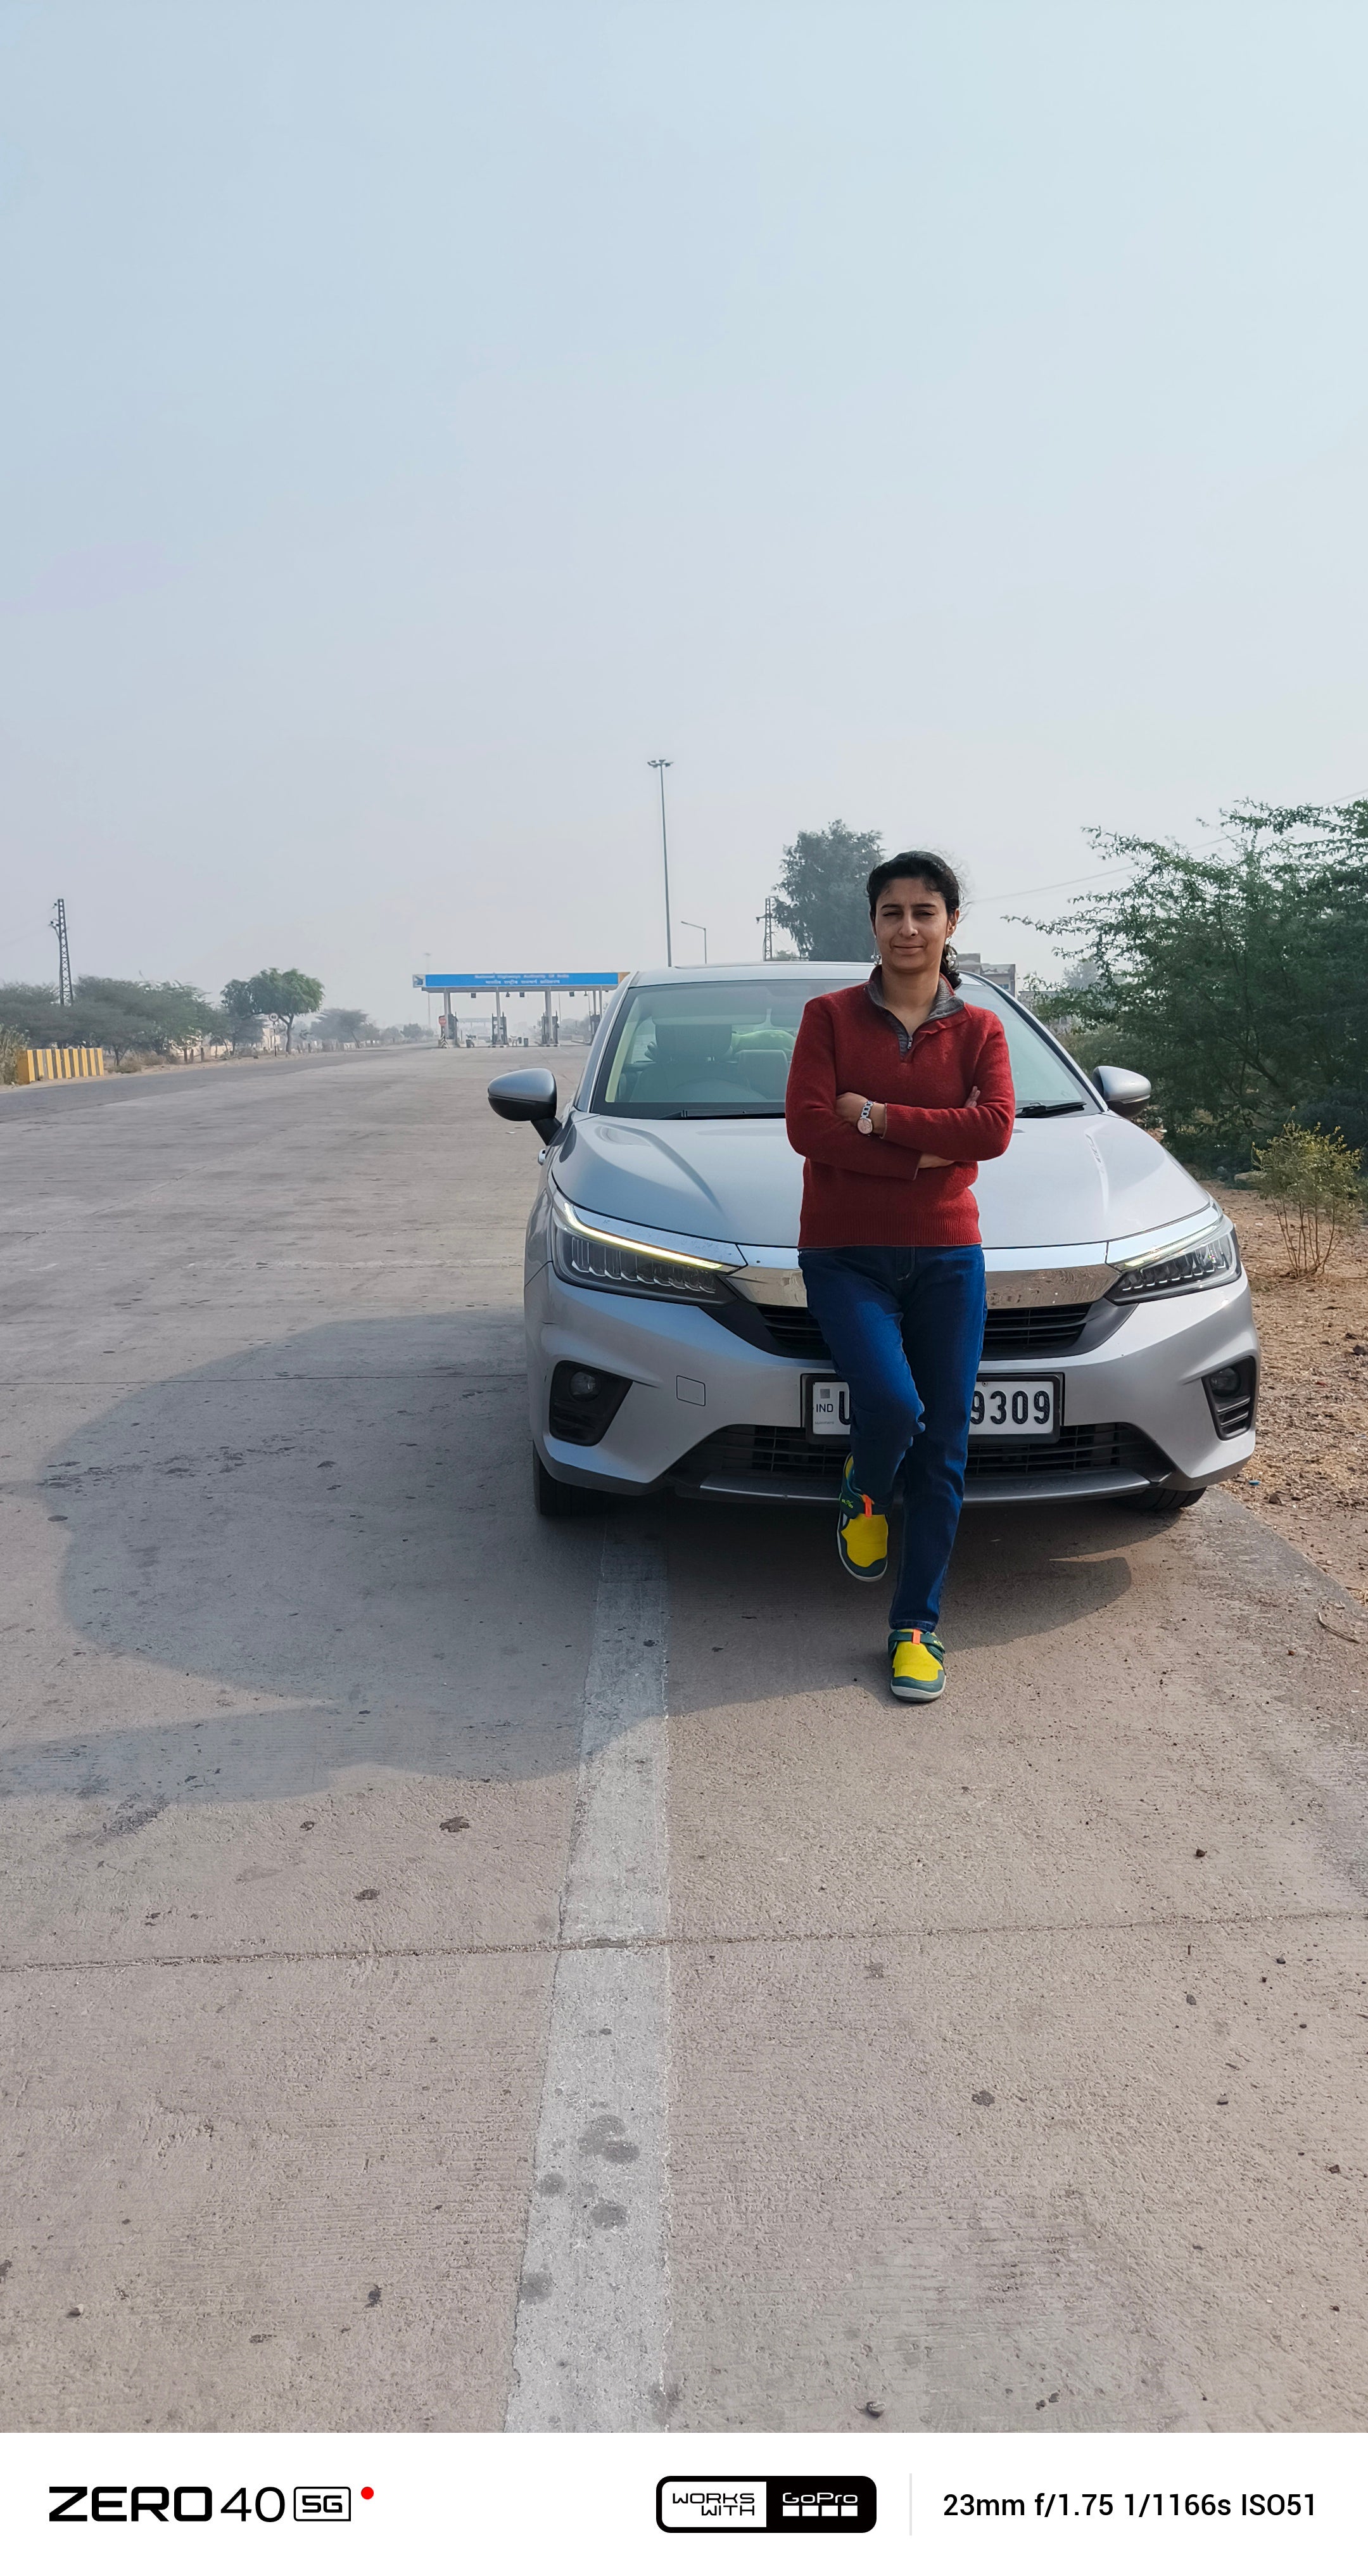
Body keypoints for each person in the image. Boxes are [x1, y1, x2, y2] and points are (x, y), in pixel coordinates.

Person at [784, 851, 1015, 1704]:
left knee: (947, 1443)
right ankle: (865, 1486)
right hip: (844, 1254)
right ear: (873, 925)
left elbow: (990, 1130)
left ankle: (915, 1625)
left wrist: (877, 1118)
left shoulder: (982, 1031)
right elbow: (810, 1128)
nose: (908, 927)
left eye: (925, 911)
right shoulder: (829, 1018)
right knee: (892, 1405)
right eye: (892, 912)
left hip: (951, 1255)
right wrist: (928, 1153)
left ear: (952, 922)